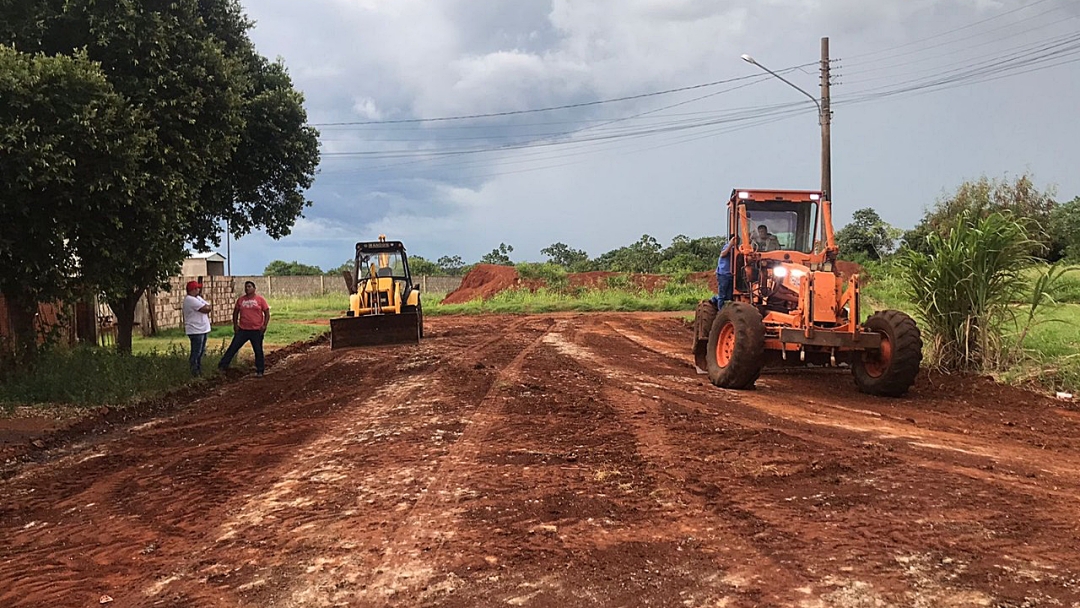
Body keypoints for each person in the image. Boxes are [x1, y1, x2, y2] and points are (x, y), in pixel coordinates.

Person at [218, 280, 271, 377]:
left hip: (256, 330)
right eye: (246, 287)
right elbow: (235, 313)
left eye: (249, 286)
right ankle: (222, 366)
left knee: (258, 350)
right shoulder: (241, 300)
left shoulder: (260, 300)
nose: (247, 288)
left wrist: (264, 325)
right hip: (243, 329)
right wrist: (235, 325)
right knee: (233, 347)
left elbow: (267, 312)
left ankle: (260, 370)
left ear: (254, 289)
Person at [182, 281, 212, 377]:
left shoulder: (197, 298)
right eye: (196, 288)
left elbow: (209, 306)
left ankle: (199, 370)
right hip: (195, 330)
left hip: (202, 329)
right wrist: (206, 307)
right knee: (196, 352)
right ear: (192, 290)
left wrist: (206, 307)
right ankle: (194, 371)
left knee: (201, 351)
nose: (198, 290)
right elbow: (206, 309)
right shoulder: (190, 299)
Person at [711, 234, 737, 308]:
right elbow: (722, 254)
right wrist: (730, 245)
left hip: (731, 274)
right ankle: (720, 311)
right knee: (722, 295)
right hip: (723, 274)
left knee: (729, 295)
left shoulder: (736, 248)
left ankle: (715, 299)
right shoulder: (727, 246)